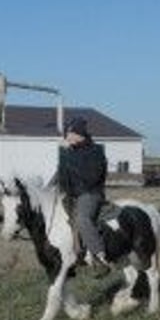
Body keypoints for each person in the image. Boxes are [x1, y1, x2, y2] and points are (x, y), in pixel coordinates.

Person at [56, 117, 111, 278]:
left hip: (90, 193)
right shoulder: (68, 153)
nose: (67, 137)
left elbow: (92, 178)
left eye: (70, 133)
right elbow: (63, 178)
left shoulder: (96, 151)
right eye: (67, 133)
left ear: (79, 134)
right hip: (71, 194)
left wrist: (67, 159)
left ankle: (100, 257)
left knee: (82, 218)